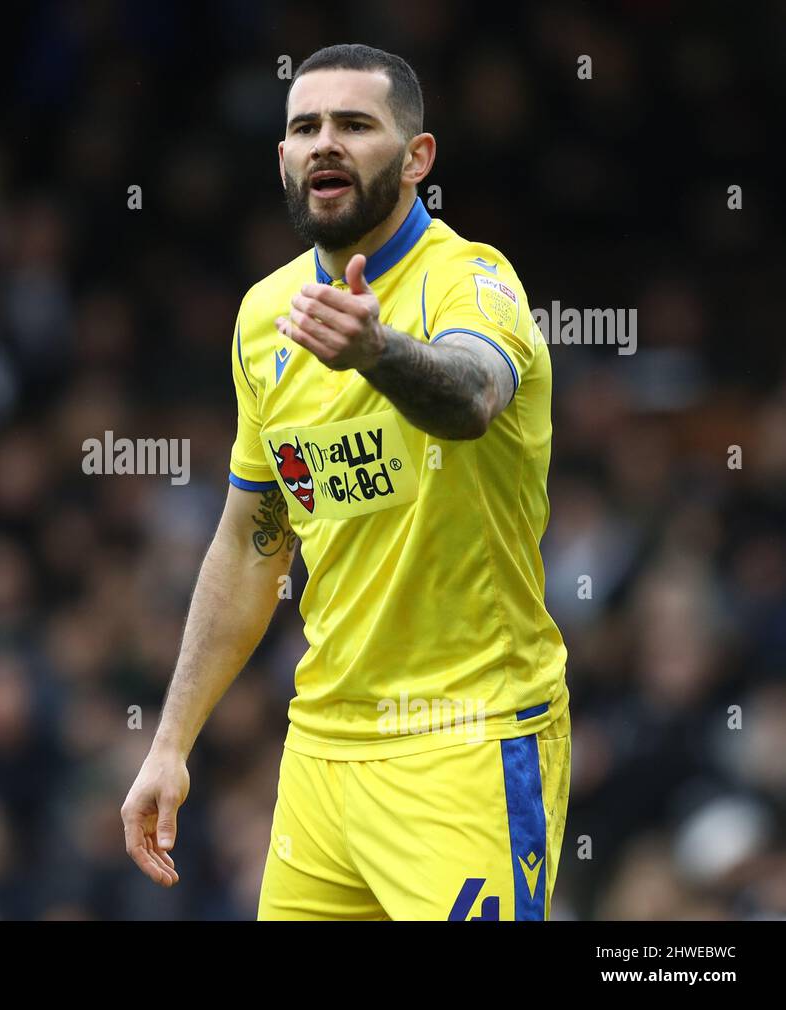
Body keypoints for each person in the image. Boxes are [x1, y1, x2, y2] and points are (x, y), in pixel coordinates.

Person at [120, 43, 570, 920]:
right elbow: (254, 542)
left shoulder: (472, 281)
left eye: (356, 125)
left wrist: (375, 352)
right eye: (305, 127)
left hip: (467, 744)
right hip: (322, 754)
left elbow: (473, 396)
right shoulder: (265, 315)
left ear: (416, 158)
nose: (325, 143)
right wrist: (170, 741)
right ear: (283, 159)